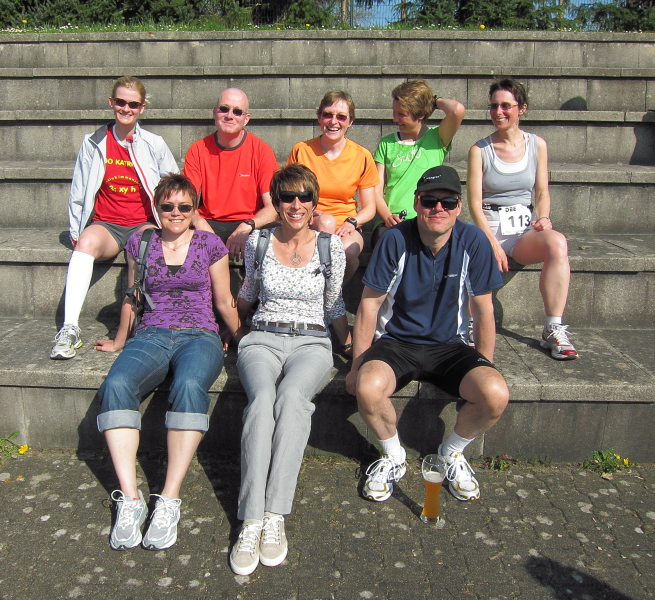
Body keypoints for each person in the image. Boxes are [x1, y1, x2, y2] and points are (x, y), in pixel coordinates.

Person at [93, 174, 242, 551]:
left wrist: (242, 338)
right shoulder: (141, 242)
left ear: (195, 209)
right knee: (116, 384)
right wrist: (120, 340)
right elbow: (133, 295)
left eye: (184, 206)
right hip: (152, 333)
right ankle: (130, 499)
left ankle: (169, 499)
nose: (176, 212)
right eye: (168, 206)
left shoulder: (210, 244)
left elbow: (224, 301)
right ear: (156, 207)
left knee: (189, 386)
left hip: (200, 334)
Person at [345, 165, 509, 504]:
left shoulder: (474, 240)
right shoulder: (395, 239)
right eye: (429, 200)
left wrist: (485, 365)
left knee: (494, 394)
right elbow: (369, 306)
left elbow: (483, 311)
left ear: (459, 206)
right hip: (396, 342)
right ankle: (393, 455)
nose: (438, 208)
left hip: (451, 346)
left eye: (447, 202)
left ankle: (452, 453)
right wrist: (356, 366)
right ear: (417, 202)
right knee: (367, 387)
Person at [229, 164, 351, 575]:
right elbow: (248, 292)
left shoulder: (330, 247)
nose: (296, 204)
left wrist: (348, 345)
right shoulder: (258, 241)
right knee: (262, 399)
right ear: (276, 203)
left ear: (315, 203)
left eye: (304, 197)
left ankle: (275, 514)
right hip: (263, 337)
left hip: (312, 342)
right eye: (287, 197)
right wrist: (233, 329)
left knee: (292, 398)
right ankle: (252, 519)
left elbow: (334, 303)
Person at [51, 76, 179, 360]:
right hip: (106, 224)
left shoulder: (154, 143)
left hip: (142, 222)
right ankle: (69, 328)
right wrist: (76, 231)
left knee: (140, 250)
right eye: (121, 102)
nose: (126, 108)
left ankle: (132, 327)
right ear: (111, 102)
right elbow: (78, 190)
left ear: (142, 108)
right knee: (85, 244)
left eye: (133, 104)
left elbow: (173, 182)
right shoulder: (94, 141)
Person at [466, 78, 579, 360]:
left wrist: (544, 217)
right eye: (494, 106)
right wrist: (492, 244)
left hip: (522, 230)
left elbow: (541, 192)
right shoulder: (479, 150)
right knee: (473, 250)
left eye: (506, 106)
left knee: (557, 243)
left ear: (522, 108)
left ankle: (553, 328)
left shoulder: (537, 145)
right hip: (489, 226)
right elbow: (475, 204)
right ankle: (468, 326)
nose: (498, 112)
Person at [287, 91, 379, 283]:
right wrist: (309, 213)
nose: (333, 121)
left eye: (341, 117)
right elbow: (289, 193)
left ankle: (331, 296)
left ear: (350, 121)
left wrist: (352, 222)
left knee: (349, 252)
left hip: (346, 224)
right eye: (328, 114)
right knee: (326, 223)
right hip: (309, 220)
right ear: (319, 117)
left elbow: (370, 207)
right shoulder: (302, 150)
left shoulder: (362, 156)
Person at [183, 87, 279, 261]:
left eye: (237, 111)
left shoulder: (261, 151)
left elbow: (273, 207)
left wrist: (247, 226)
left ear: (246, 119)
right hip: (210, 222)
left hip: (250, 222)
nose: (229, 115)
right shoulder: (197, 150)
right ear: (215, 112)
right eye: (224, 109)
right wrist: (200, 223)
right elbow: (184, 202)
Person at [372, 80, 465, 246]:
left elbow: (457, 110)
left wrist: (432, 102)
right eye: (394, 112)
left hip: (429, 217)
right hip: (392, 220)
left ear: (420, 114)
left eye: (401, 114)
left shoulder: (437, 138)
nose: (395, 118)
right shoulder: (386, 143)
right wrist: (387, 216)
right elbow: (376, 190)